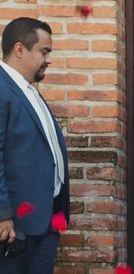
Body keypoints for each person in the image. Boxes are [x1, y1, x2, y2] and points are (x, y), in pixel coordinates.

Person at [0, 17, 70, 274]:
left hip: (45, 222)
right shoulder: (2, 88)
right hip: (13, 227)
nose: (49, 59)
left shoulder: (29, 90)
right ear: (20, 49)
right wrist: (2, 214)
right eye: (44, 51)